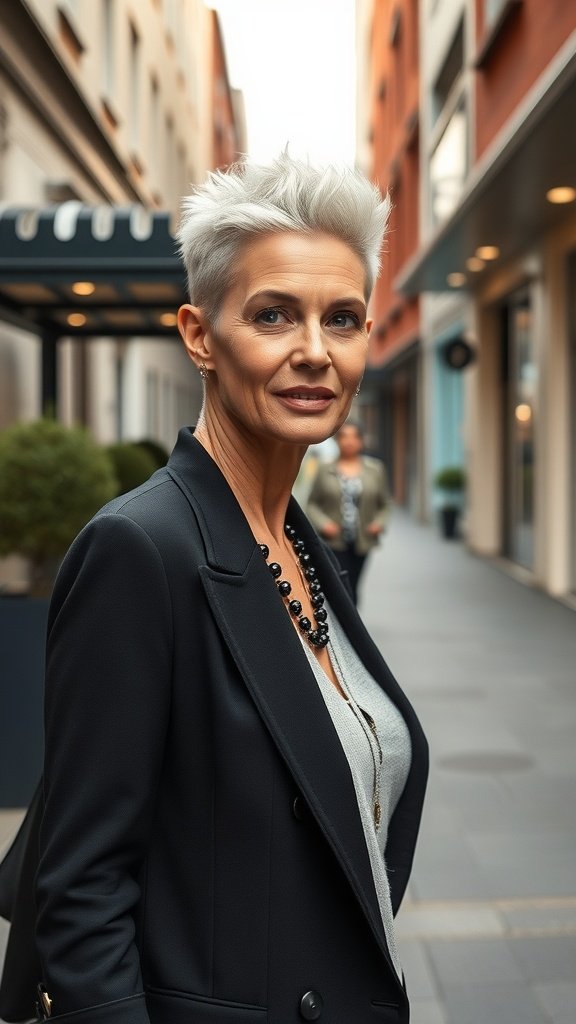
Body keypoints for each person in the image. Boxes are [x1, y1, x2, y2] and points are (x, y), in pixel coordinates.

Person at [34, 154, 428, 1024]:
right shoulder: (140, 551)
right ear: (200, 334)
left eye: (345, 318)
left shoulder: (295, 535)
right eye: (274, 314)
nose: (315, 352)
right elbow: (79, 890)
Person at [307, 421, 390, 604]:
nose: (349, 441)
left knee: (353, 583)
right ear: (337, 441)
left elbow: (384, 503)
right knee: (338, 585)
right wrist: (323, 523)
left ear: (361, 441)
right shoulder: (324, 469)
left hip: (363, 538)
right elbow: (312, 503)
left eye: (354, 437)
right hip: (333, 541)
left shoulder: (375, 469)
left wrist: (379, 523)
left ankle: (352, 622)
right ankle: (344, 621)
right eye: (344, 436)